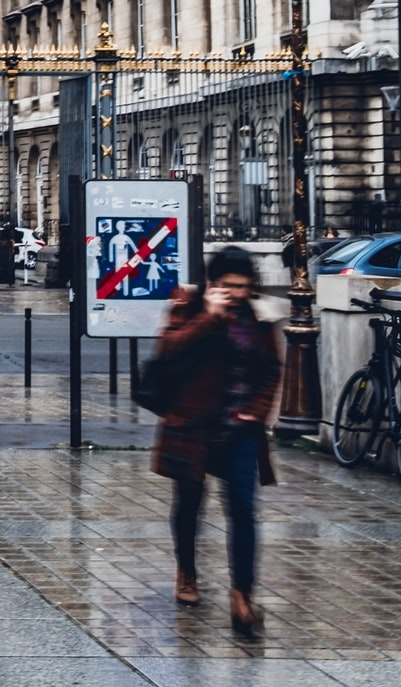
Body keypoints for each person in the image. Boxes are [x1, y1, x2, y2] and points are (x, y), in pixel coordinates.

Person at [152, 246, 281, 638]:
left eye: (242, 286)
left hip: (240, 430)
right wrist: (209, 316)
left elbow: (271, 370)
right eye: (227, 286)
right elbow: (168, 350)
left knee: (243, 508)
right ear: (213, 283)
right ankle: (187, 572)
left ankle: (242, 595)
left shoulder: (259, 319)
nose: (235, 293)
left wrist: (257, 410)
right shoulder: (189, 307)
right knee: (189, 503)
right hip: (193, 424)